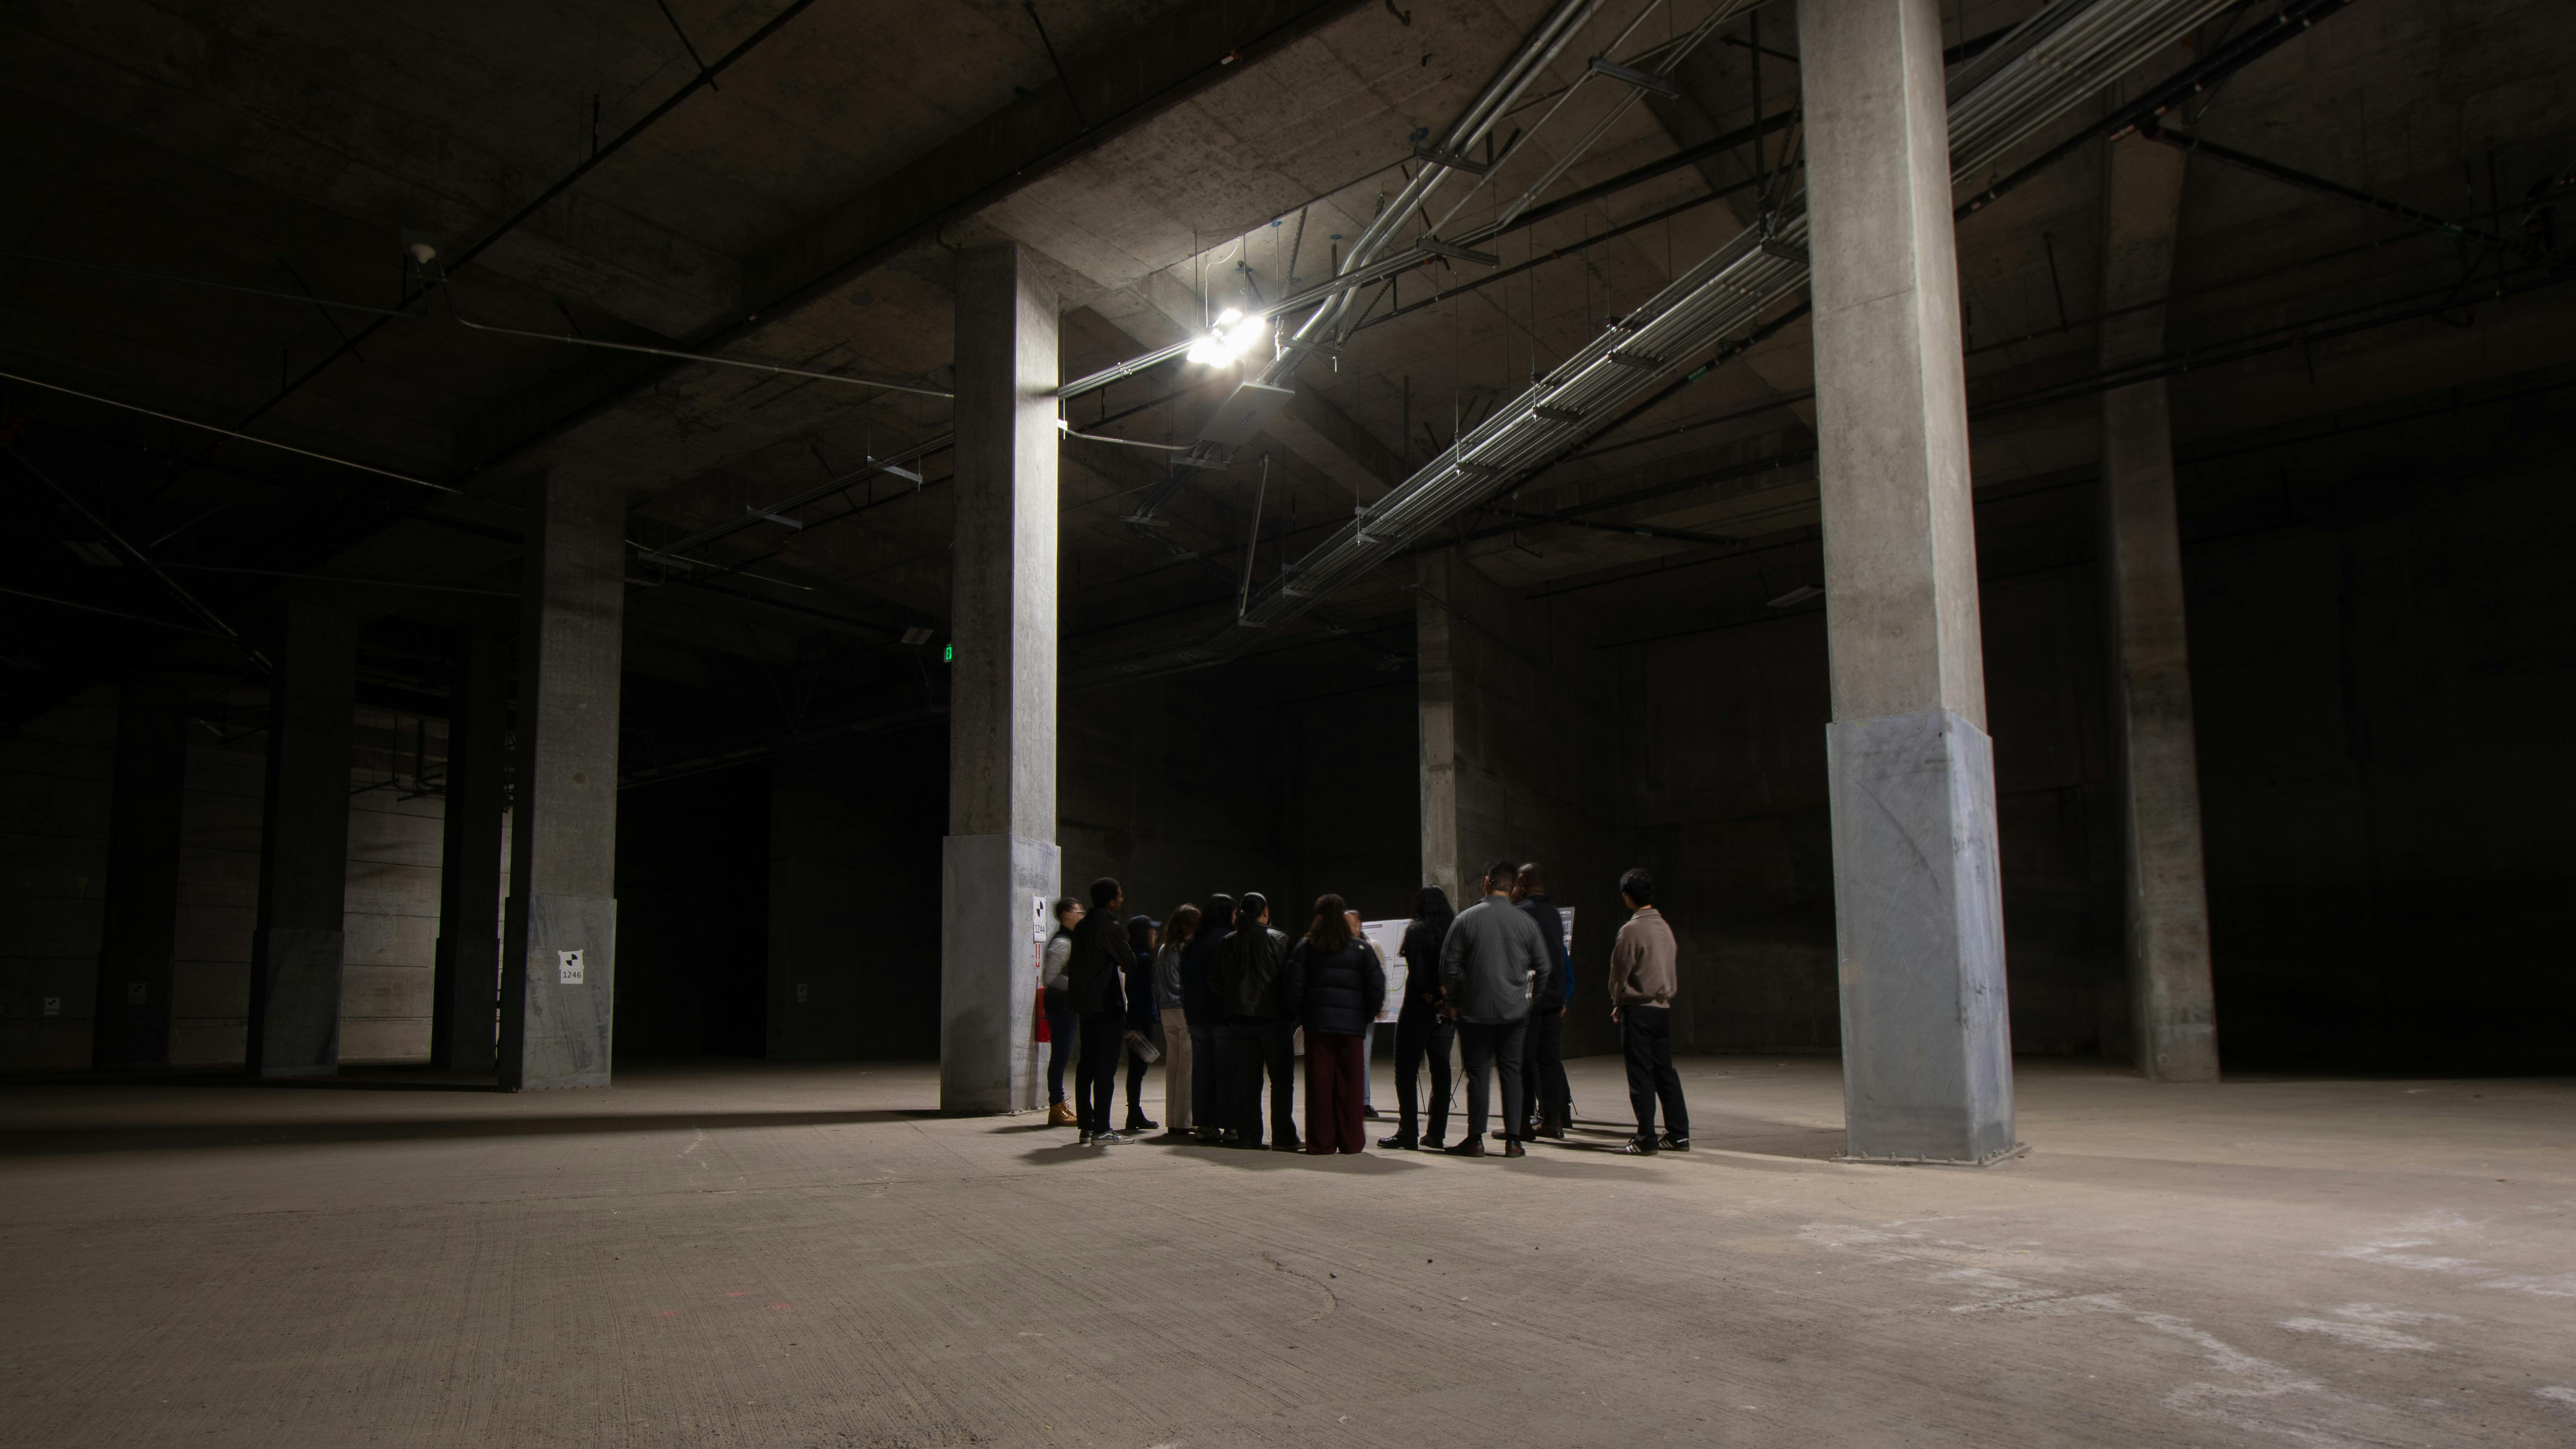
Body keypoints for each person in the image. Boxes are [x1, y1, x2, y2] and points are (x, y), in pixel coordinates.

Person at [1438, 862, 1552, 1159]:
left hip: (1474, 1012)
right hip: (1514, 1013)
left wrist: (1454, 1002)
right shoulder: (1526, 922)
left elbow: (1448, 966)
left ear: (1487, 881)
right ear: (1513, 888)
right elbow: (1545, 967)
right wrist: (1531, 1002)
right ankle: (1514, 1141)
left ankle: (1475, 1139)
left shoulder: (1465, 919)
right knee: (1512, 1073)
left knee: (1478, 1075)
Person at [1280, 895, 1385, 1154]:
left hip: (1318, 1029)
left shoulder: (1306, 948)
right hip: (1352, 1030)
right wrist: (1364, 1016)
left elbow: (1292, 987)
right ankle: (1351, 1142)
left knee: (1320, 1086)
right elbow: (1376, 987)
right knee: (1351, 1086)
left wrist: (1303, 1015)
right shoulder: (1361, 949)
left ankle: (1321, 1143)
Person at [1608, 867, 1688, 1154]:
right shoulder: (1665, 927)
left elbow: (1619, 973)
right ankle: (1678, 1134)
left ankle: (1646, 1138)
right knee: (1665, 1072)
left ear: (1627, 896)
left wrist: (1618, 1001)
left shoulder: (1631, 930)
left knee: (1640, 1074)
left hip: (1639, 1011)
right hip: (1662, 1010)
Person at [1212, 891, 1297, 1150]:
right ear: (1266, 912)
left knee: (1248, 1079)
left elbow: (1215, 980)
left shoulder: (1228, 941)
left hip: (1239, 1019)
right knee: (1281, 1081)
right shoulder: (1279, 939)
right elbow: (1291, 981)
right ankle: (1283, 1137)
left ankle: (1248, 1136)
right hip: (1274, 1019)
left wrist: (1232, 1000)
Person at [1380, 886, 1456, 1151]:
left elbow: (1419, 971)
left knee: (1406, 1071)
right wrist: (1445, 1001)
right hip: (1446, 1012)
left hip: (1417, 1009)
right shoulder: (1454, 930)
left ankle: (1408, 1132)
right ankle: (1436, 1134)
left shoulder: (1415, 930)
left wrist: (1431, 997)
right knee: (1441, 1071)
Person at [1063, 878, 1134, 1146]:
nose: (1122, 899)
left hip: (1085, 1005)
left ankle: (1086, 1127)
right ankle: (1102, 1130)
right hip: (1107, 1004)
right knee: (1106, 1069)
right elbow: (1130, 962)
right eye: (1120, 895)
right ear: (1111, 901)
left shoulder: (1082, 926)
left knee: (1086, 1066)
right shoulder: (1109, 927)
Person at [1506, 863, 1575, 1141]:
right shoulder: (1553, 914)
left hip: (1530, 998)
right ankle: (1553, 1119)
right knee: (1549, 1060)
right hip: (1554, 997)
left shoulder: (1521, 912)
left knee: (1523, 1060)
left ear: (1523, 883)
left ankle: (1521, 1124)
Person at [1180, 894, 1234, 1142]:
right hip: (1223, 1015)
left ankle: (1205, 1126)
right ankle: (1232, 1126)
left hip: (1196, 1016)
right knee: (1228, 1071)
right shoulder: (1230, 939)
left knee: (1202, 1071)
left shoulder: (1194, 942)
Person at [1153, 904, 1200, 1136]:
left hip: (1166, 1010)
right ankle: (1184, 1120)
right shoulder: (1186, 948)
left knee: (1173, 1065)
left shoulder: (1163, 949)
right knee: (1187, 1069)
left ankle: (1172, 1119)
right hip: (1183, 1010)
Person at [1039, 897, 1083, 1127]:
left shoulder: (1070, 939)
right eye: (1078, 912)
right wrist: (1078, 986)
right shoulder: (1063, 943)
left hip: (1066, 1004)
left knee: (1062, 1057)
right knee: (1060, 1057)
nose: (1082, 916)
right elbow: (1049, 978)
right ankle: (1056, 1107)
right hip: (1060, 1005)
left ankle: (1058, 1104)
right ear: (1066, 915)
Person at [1122, 914, 1162, 1135]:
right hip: (1140, 1020)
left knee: (1137, 1069)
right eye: (1151, 932)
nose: (1155, 936)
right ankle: (1134, 1114)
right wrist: (1137, 1024)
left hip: (1135, 1018)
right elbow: (1142, 994)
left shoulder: (1131, 955)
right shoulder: (1143, 959)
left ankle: (1134, 1113)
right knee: (1139, 1068)